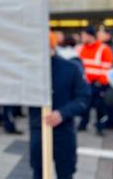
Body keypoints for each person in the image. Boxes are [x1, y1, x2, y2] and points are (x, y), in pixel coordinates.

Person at [29, 32, 90, 179]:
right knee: (39, 172)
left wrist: (62, 113)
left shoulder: (70, 68)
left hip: (64, 131)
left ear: (52, 46)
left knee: (65, 173)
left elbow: (83, 98)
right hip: (39, 129)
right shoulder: (30, 71)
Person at [76, 26, 113, 135]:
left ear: (90, 36)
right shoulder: (80, 48)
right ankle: (83, 125)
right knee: (84, 106)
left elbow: (106, 69)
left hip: (98, 85)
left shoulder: (104, 49)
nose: (82, 37)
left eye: (83, 35)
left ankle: (100, 128)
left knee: (101, 109)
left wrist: (100, 83)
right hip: (84, 84)